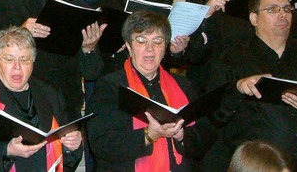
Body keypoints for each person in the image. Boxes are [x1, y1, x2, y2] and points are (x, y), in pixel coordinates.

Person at [87, 10, 215, 171]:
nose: (150, 49)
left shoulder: (185, 86)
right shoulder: (110, 86)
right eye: (141, 41)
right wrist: (149, 135)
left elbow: (207, 135)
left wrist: (182, 135)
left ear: (165, 46)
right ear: (128, 45)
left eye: (157, 41)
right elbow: (101, 144)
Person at [200, 0, 297, 171]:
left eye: (287, 9)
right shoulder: (231, 58)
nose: (283, 14)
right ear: (254, 18)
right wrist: (238, 88)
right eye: (273, 9)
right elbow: (213, 116)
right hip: (254, 165)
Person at [0, 26, 83, 172]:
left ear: (33, 61)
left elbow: (64, 143)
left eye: (24, 60)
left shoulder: (50, 92)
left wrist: (71, 146)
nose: (17, 67)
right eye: (9, 59)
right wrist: (6, 150)